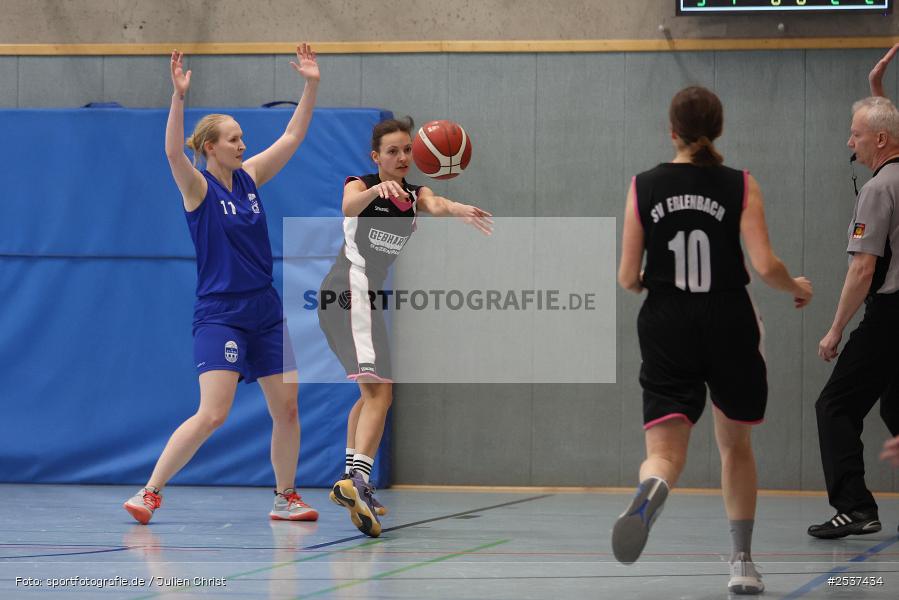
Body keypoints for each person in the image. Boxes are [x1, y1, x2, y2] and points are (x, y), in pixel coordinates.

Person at [613, 86, 812, 595]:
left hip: (665, 321)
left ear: (671, 130)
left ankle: (650, 490)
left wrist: (647, 284)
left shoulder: (643, 186)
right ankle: (742, 563)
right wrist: (797, 287)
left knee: (664, 450)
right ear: (718, 129)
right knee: (735, 447)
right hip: (727, 317)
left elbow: (626, 276)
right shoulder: (741, 184)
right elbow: (765, 265)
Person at [122, 44, 321, 524]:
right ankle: (150, 492)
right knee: (213, 413)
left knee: (288, 409)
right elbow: (172, 150)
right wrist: (177, 96)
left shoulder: (250, 179)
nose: (242, 145)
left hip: (265, 310)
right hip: (220, 313)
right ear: (210, 146)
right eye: (233, 139)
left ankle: (285, 496)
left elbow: (293, 135)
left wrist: (310, 84)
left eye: (242, 138)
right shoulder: (198, 189)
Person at [319, 117, 492, 537]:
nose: (401, 157)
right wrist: (378, 189)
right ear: (376, 157)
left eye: (407, 150)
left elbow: (434, 204)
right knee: (380, 391)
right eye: (392, 151)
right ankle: (357, 480)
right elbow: (347, 206)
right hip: (348, 292)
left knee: (371, 393)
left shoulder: (417, 194)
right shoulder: (359, 184)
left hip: (358, 299)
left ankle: (353, 481)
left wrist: (458, 209)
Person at [808, 45, 899, 539]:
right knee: (895, 406)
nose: (850, 142)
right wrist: (877, 90)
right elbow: (892, 128)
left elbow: (863, 269)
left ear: (879, 140)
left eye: (857, 134)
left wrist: (835, 329)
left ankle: (855, 507)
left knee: (835, 407)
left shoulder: (878, 189)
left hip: (889, 313)